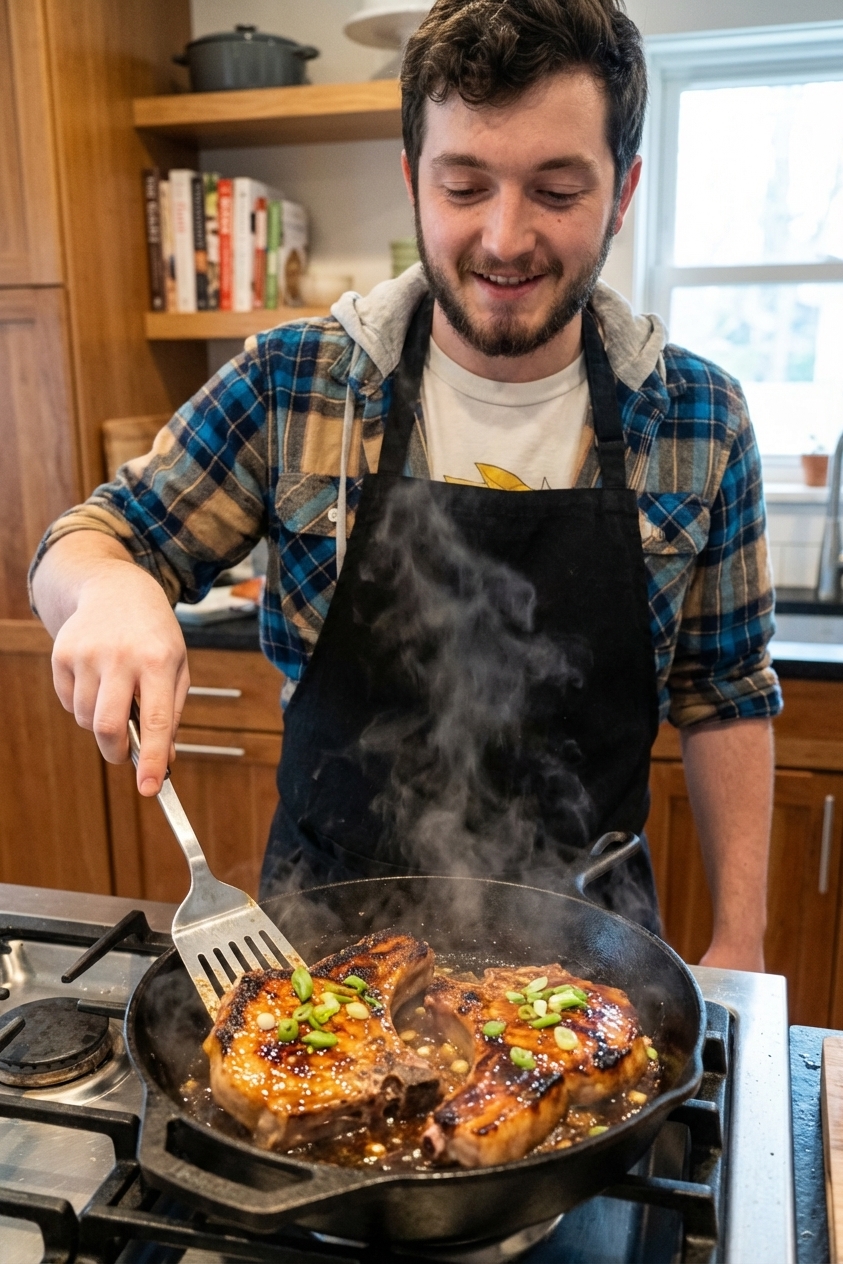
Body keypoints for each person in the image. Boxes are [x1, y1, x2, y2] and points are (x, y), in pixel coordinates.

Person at [30, 0, 780, 970]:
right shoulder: (295, 383)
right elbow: (84, 540)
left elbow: (726, 696)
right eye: (465, 185)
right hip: (317, 956)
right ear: (412, 179)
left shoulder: (698, 419)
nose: (505, 239)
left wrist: (743, 938)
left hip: (591, 971)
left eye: (557, 191)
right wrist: (109, 587)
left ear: (624, 190)